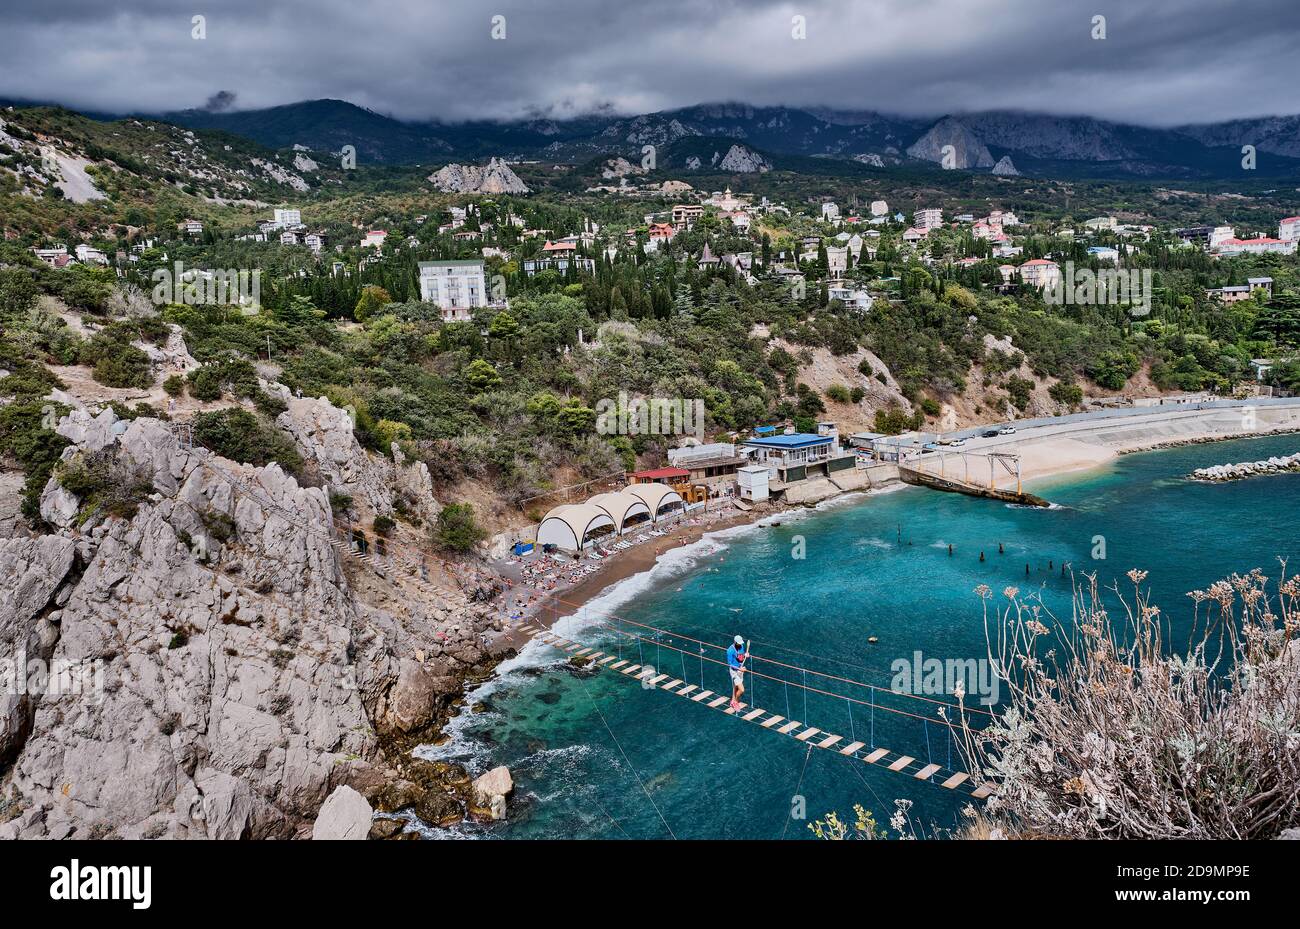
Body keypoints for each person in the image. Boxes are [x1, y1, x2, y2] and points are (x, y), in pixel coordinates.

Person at [726, 635, 748, 711]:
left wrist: (745, 655)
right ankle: (735, 702)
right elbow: (730, 664)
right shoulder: (730, 650)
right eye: (738, 643)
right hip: (734, 671)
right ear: (735, 642)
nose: (740, 644)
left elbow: (741, 657)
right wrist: (740, 669)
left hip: (740, 669)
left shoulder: (741, 646)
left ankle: (732, 700)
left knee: (736, 686)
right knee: (742, 689)